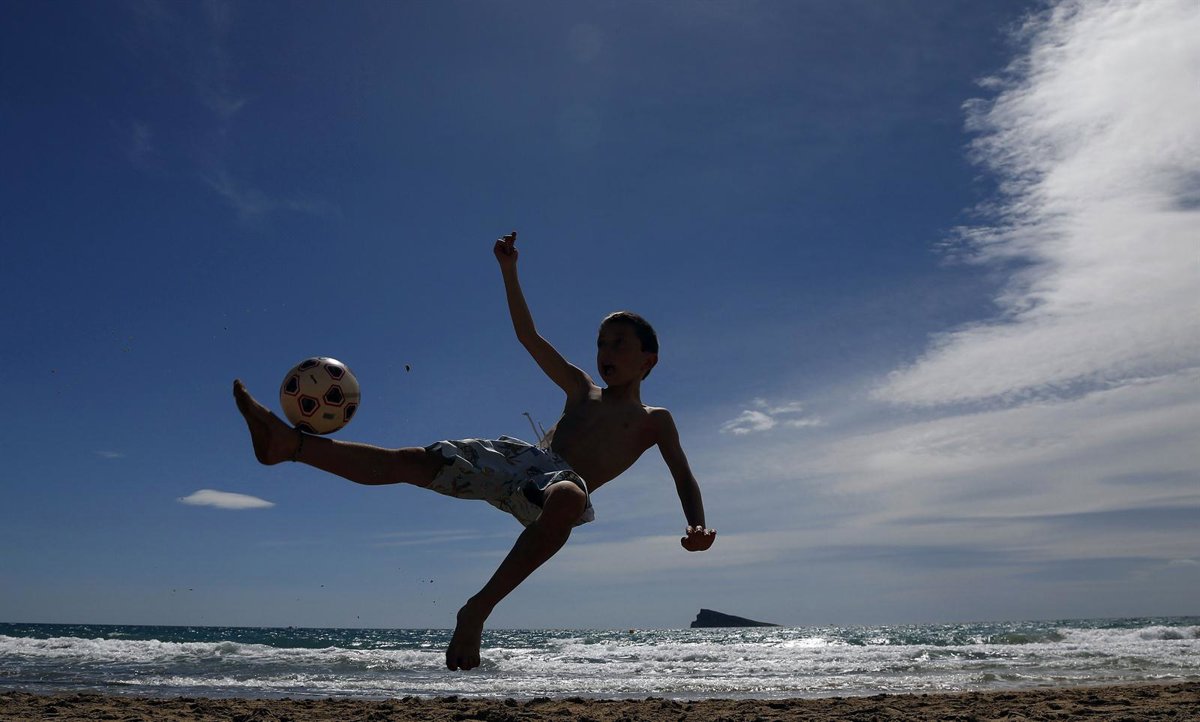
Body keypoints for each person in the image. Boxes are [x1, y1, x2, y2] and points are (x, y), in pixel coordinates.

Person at [232, 231, 716, 671]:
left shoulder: (656, 420)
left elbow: (683, 475)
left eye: (619, 344)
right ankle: (290, 445)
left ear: (648, 360)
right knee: (411, 462)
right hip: (519, 460)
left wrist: (695, 523)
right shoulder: (581, 389)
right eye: (601, 343)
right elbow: (528, 336)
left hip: (555, 488)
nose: (605, 351)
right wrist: (509, 271)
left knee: (570, 497)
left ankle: (476, 610)